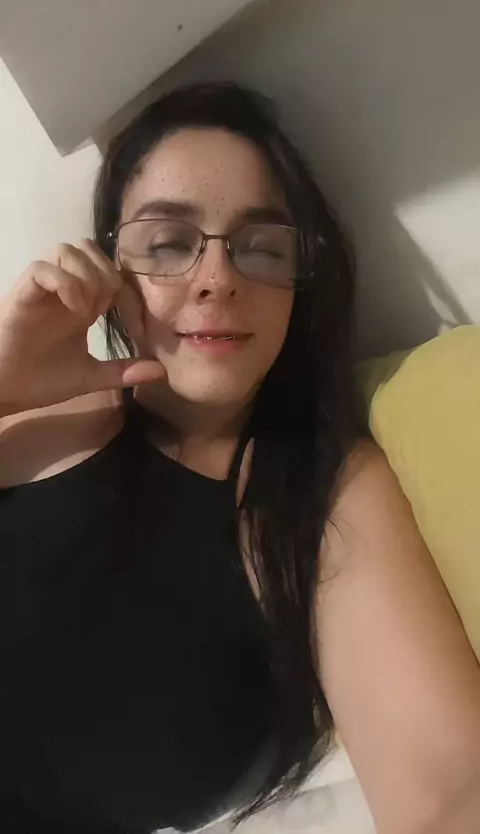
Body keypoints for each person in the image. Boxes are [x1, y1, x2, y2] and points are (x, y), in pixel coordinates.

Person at [0, 82, 479, 834]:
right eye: (168, 243)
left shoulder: (320, 498)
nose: (218, 278)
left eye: (260, 246)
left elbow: (449, 796)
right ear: (110, 270)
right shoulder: (34, 417)